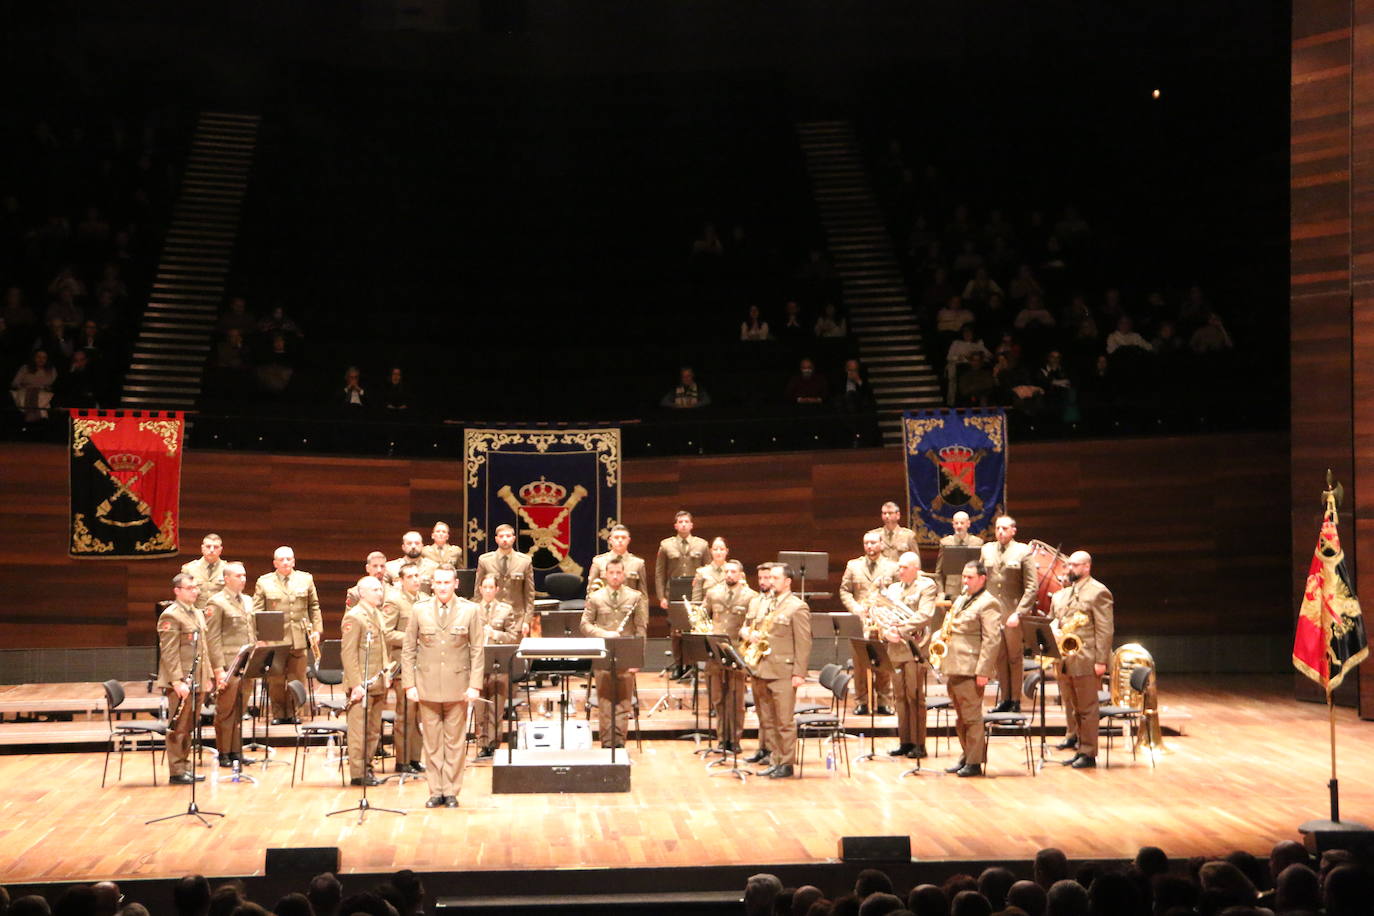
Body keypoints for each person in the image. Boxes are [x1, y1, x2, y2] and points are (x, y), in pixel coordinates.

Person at [403, 564, 484, 807]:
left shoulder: (470, 610)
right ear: (432, 584)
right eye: (437, 583)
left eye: (446, 582)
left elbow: (477, 651)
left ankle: (451, 791)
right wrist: (409, 684)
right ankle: (435, 790)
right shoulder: (419, 610)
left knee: (454, 743)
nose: (442, 587)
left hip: (457, 686)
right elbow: (408, 650)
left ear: (456, 584)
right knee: (432, 742)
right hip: (426, 686)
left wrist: (475, 686)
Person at [1033, 550, 1113, 768]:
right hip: (1065, 660)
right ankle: (1079, 746)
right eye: (1068, 565)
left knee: (1087, 708)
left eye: (1075, 565)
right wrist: (1052, 631)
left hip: (1086, 658)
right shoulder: (1061, 595)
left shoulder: (1099, 592)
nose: (1069, 569)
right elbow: (1051, 621)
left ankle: (1089, 753)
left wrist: (1101, 660)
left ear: (1087, 567)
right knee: (1073, 706)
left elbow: (1105, 630)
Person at [744, 563, 810, 778]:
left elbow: (803, 642)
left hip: (784, 670)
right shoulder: (767, 603)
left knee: (784, 721)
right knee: (769, 720)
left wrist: (799, 673)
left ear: (787, 581)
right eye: (769, 578)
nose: (770, 582)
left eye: (775, 578)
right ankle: (775, 759)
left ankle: (787, 763)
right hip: (763, 668)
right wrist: (751, 635)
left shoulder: (797, 607)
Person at [939, 561, 1003, 776]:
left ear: (982, 578)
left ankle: (974, 762)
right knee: (960, 716)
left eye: (970, 577)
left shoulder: (988, 603)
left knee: (972, 716)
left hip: (971, 667)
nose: (965, 581)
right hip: (954, 665)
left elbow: (992, 640)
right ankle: (966, 755)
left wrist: (983, 671)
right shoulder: (962, 599)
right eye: (964, 577)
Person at [579, 557, 646, 748]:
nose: (615, 576)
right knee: (605, 700)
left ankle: (620, 743)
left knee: (623, 701)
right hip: (603, 653)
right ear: (606, 575)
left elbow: (640, 629)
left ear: (624, 575)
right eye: (612, 573)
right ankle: (607, 743)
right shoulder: (596, 597)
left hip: (626, 654)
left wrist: (638, 659)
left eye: (619, 573)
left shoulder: (635, 597)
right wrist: (604, 634)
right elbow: (584, 625)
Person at [252, 546, 322, 724]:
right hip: (274, 639)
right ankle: (278, 714)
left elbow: (314, 606)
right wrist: (260, 638)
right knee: (276, 680)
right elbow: (256, 612)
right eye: (281, 559)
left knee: (297, 678)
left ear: (293, 561)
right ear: (275, 563)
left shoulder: (305, 579)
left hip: (299, 637)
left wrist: (317, 630)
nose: (285, 562)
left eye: (288, 559)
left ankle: (295, 713)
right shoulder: (264, 582)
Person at [156, 574, 214, 784]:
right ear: (177, 591)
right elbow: (169, 653)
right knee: (179, 727)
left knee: (189, 726)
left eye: (196, 587)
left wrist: (207, 677)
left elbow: (203, 649)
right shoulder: (171, 616)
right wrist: (177, 681)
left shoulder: (197, 614)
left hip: (197, 679)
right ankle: (177, 770)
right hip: (181, 682)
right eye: (189, 588)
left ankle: (186, 766)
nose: (194, 591)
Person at [881, 552, 938, 758]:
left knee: (915, 697)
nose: (900, 571)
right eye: (899, 567)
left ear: (915, 567)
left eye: (904, 567)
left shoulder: (927, 586)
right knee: (900, 697)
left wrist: (900, 629)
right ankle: (905, 741)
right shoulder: (894, 589)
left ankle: (918, 743)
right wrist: (886, 631)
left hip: (915, 649)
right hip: (895, 650)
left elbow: (924, 615)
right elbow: (883, 615)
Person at [979, 516, 1037, 712]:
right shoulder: (986, 549)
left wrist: (1019, 613)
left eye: (1004, 528)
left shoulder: (1023, 551)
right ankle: (1004, 699)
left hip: (1013, 614)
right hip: (992, 615)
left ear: (1013, 531)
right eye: (997, 528)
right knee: (999, 658)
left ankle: (1016, 700)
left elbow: (1031, 587)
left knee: (1015, 657)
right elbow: (981, 580)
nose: (1000, 532)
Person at [840, 531, 899, 716]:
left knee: (883, 662)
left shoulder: (892, 567)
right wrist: (855, 608)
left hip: (883, 622)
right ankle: (862, 702)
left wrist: (888, 609)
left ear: (881, 544)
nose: (869, 546)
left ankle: (884, 701)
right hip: (861, 622)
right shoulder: (853, 565)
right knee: (859, 665)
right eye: (866, 543)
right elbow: (845, 590)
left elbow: (899, 592)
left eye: (873, 542)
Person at [206, 562, 258, 768]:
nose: (243, 579)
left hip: (247, 663)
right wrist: (218, 669)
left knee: (239, 711)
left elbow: (250, 631)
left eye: (244, 575)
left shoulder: (248, 600)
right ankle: (223, 752)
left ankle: (236, 751)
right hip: (229, 665)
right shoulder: (216, 602)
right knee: (225, 711)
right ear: (227, 579)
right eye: (238, 576)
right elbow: (212, 638)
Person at [703, 559, 756, 752]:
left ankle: (734, 739)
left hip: (737, 653)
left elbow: (752, 624)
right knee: (718, 698)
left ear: (741, 574)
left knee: (735, 700)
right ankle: (721, 738)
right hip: (715, 653)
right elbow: (703, 616)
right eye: (727, 571)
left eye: (733, 572)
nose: (729, 575)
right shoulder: (713, 593)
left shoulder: (751, 596)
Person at [341, 576, 390, 787]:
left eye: (380, 589)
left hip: (377, 682)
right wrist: (356, 684)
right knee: (359, 731)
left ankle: (368, 767)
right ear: (362, 593)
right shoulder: (355, 617)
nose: (380, 593)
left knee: (373, 731)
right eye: (375, 589)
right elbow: (348, 653)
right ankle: (358, 773)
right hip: (361, 685)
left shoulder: (377, 614)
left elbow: (383, 648)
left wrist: (386, 673)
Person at [381, 563, 425, 773]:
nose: (416, 580)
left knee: (418, 716)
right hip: (402, 665)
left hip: (423, 665)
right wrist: (412, 639)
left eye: (418, 576)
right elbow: (387, 633)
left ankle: (415, 757)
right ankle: (402, 760)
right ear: (401, 580)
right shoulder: (394, 600)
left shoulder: (425, 600)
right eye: (411, 576)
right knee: (405, 715)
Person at [476, 573, 519, 758]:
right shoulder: (472, 609)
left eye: (490, 587)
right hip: (478, 664)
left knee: (495, 706)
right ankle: (482, 743)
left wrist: (495, 634)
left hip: (498, 664)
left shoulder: (505, 609)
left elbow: (512, 636)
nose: (487, 590)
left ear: (496, 590)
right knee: (480, 708)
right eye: (484, 587)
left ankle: (493, 744)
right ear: (480, 589)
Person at [741, 564, 776, 765]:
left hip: (771, 660)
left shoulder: (778, 602)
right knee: (760, 708)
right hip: (756, 660)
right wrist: (745, 632)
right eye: (761, 577)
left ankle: (772, 750)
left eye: (767, 577)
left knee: (770, 710)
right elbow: (747, 624)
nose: (763, 581)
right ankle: (762, 748)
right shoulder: (755, 601)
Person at [473, 524, 534, 633]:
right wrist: (478, 615)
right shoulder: (485, 560)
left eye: (508, 536)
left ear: (514, 538)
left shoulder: (524, 561)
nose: (505, 539)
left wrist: (527, 620)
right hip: (492, 617)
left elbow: (529, 593)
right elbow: (478, 590)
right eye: (501, 536)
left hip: (517, 618)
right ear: (496, 539)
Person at [654, 510, 710, 611]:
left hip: (696, 590)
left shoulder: (702, 544)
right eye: (680, 522)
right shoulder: (666, 545)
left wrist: (707, 595)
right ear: (675, 526)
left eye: (686, 521)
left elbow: (709, 572)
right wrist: (661, 597)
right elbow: (660, 573)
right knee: (675, 624)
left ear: (691, 525)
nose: (683, 524)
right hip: (674, 590)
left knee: (696, 623)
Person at [587, 524, 647, 597]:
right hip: (605, 606)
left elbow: (643, 594)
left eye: (623, 537)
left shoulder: (638, 563)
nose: (620, 540)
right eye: (616, 537)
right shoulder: (599, 561)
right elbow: (591, 591)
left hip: (629, 606)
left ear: (628, 540)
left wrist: (643, 608)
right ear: (610, 540)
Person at [938, 511, 985, 597]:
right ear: (953, 524)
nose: (959, 526)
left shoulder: (977, 543)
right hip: (951, 591)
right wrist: (940, 591)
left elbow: (981, 570)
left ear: (968, 524)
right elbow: (939, 571)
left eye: (962, 523)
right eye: (956, 523)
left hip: (972, 589)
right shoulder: (945, 543)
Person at [180, 533, 226, 609]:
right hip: (196, 614)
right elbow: (184, 596)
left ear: (220, 550)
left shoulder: (228, 569)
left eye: (216, 547)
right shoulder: (189, 569)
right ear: (202, 548)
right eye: (208, 546)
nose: (211, 550)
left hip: (220, 615)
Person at [10, 349, 56, 421]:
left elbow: (54, 384)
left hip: (43, 393)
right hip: (25, 391)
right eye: (38, 357)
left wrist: (47, 388)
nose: (41, 360)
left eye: (44, 358)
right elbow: (15, 383)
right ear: (34, 357)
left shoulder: (51, 370)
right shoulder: (25, 368)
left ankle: (38, 420)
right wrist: (23, 386)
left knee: (42, 399)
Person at [690, 536, 730, 602]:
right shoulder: (701, 573)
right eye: (715, 549)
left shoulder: (734, 571)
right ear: (711, 551)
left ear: (727, 551)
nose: (718, 552)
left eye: (722, 549)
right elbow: (696, 601)